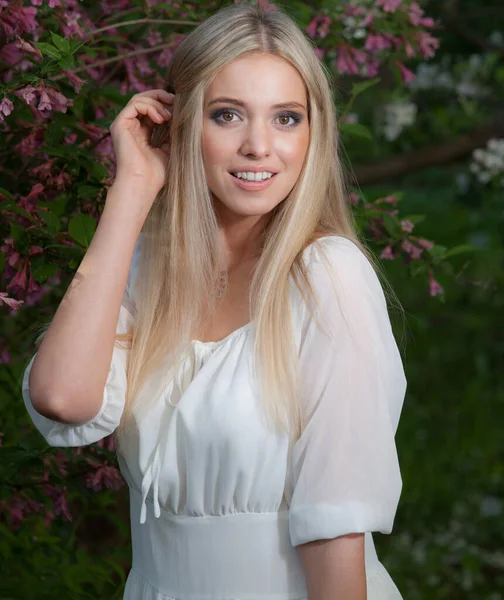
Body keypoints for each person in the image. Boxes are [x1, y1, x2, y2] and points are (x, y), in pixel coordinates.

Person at [21, 3, 407, 599]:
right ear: (182, 125)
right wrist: (134, 187)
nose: (258, 146)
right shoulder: (150, 268)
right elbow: (62, 397)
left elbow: (336, 531)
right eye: (227, 115)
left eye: (286, 119)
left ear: (314, 133)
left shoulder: (329, 278)